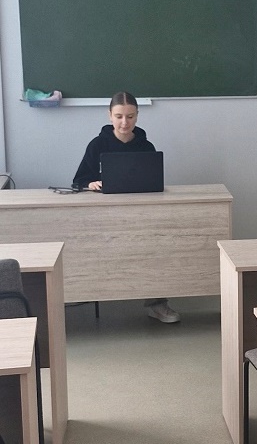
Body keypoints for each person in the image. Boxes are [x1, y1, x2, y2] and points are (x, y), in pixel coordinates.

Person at [73, 91, 180, 324]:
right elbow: (79, 180)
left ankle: (157, 304)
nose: (124, 122)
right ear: (109, 116)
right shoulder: (97, 145)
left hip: (141, 214)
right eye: (119, 116)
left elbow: (153, 182)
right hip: (104, 216)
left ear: (137, 116)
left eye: (130, 117)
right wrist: (90, 184)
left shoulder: (146, 145)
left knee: (157, 244)